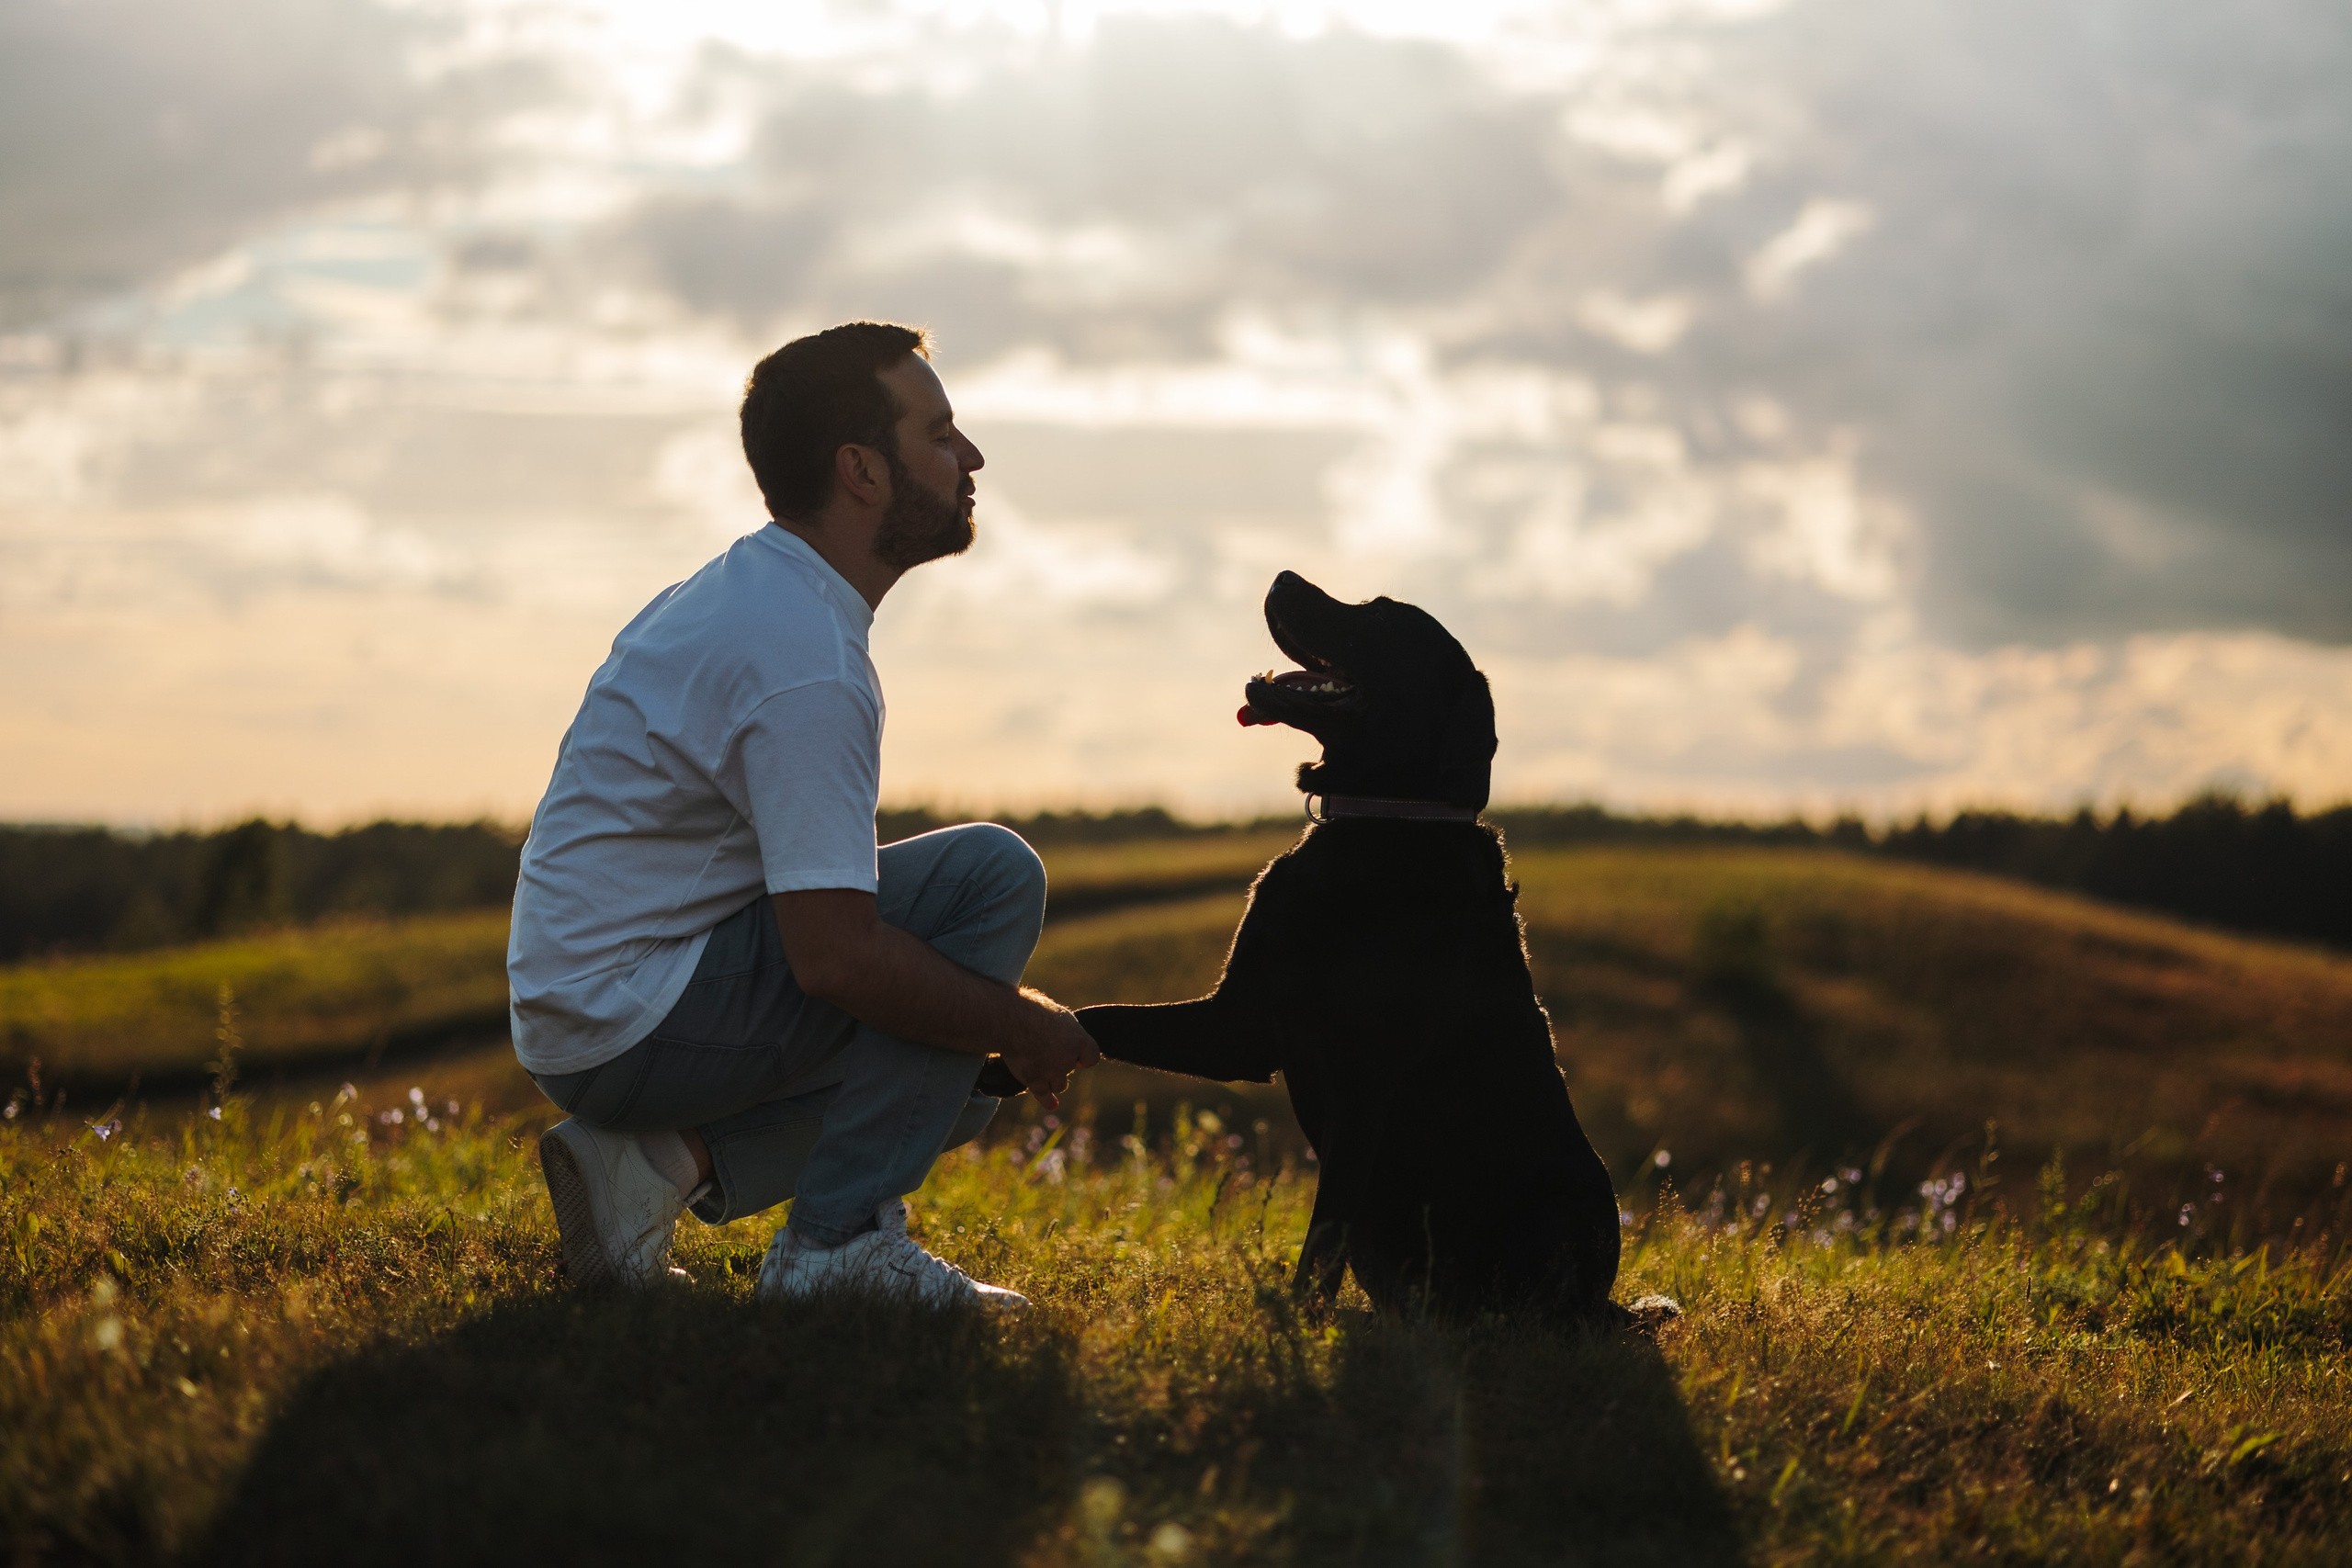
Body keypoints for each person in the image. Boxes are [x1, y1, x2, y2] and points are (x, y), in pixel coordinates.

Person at [506, 321, 1101, 1309]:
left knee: (946, 1089)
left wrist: (990, 1028)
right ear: (863, 471)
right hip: (628, 1016)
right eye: (941, 433)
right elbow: (836, 958)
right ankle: (832, 1249)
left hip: (589, 1008)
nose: (972, 458)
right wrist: (1015, 1019)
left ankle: (654, 1167)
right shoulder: (805, 661)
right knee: (991, 883)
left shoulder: (756, 594)